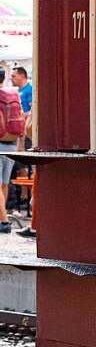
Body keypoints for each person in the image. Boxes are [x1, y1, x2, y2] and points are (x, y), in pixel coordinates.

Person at [0, 68, 23, 234]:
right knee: (4, 184)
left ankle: (4, 221)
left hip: (0, 143)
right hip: (12, 144)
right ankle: (2, 214)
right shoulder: (13, 95)